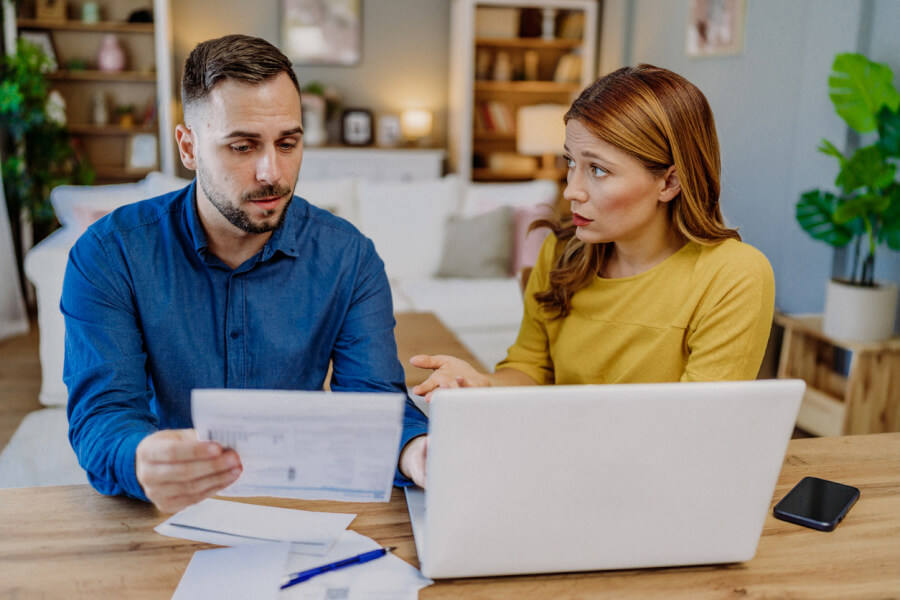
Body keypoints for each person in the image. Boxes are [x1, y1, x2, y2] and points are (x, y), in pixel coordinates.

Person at [62, 35, 427, 513]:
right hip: (165, 507)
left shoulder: (349, 258)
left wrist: (420, 454)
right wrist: (139, 458)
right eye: (242, 146)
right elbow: (103, 416)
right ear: (188, 148)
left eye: (288, 143)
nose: (271, 173)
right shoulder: (110, 255)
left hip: (299, 503)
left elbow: (377, 408)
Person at [412, 64, 774, 396]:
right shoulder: (561, 252)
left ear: (669, 182)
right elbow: (530, 368)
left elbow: (700, 425)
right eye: (571, 162)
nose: (571, 190)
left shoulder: (733, 275)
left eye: (598, 170)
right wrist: (480, 383)